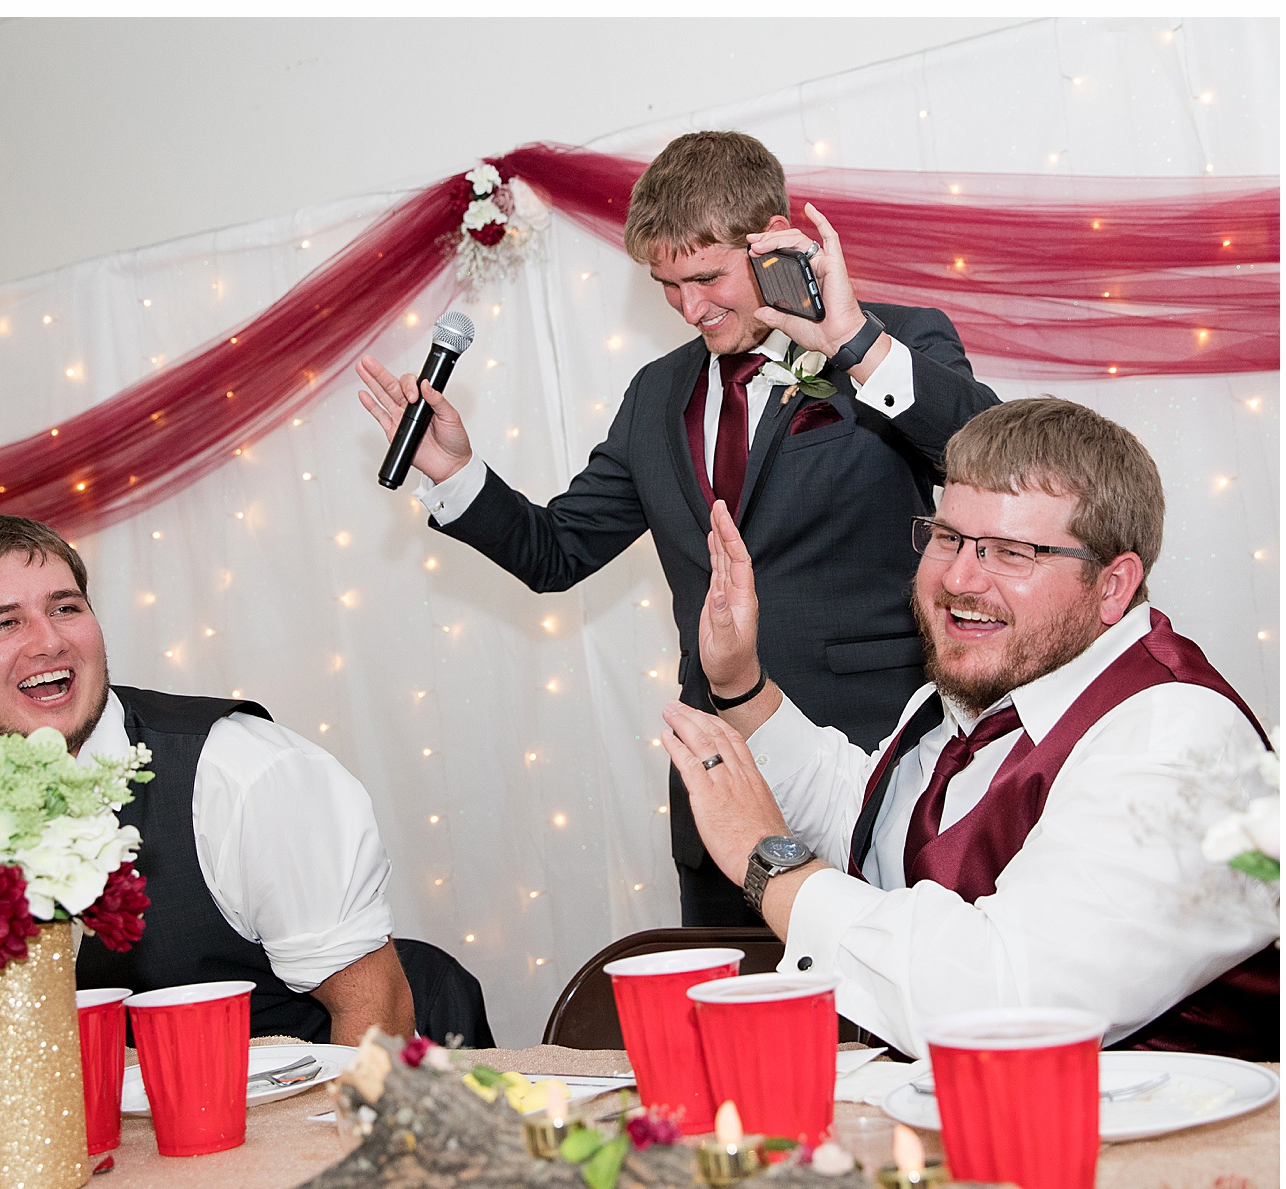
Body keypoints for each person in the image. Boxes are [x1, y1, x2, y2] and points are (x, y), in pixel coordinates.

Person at [358, 130, 999, 921]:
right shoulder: (654, 397)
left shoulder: (894, 341)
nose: (690, 309)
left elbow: (991, 464)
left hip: (875, 777)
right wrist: (453, 471)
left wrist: (853, 344)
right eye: (667, 285)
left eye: (705, 277)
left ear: (770, 239)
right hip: (717, 805)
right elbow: (556, 552)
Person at [662, 396, 1280, 1058]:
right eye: (949, 537)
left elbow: (1005, 1003)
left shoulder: (1179, 742)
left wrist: (767, 864)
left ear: (1113, 585)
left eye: (1012, 552)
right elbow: (875, 824)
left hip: (1159, 1149)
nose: (959, 577)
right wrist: (739, 683)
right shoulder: (992, 688)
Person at [0, 517, 493, 1045]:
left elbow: (376, 1011)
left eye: (66, 608)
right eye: (4, 624)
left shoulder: (243, 773)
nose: (49, 640)